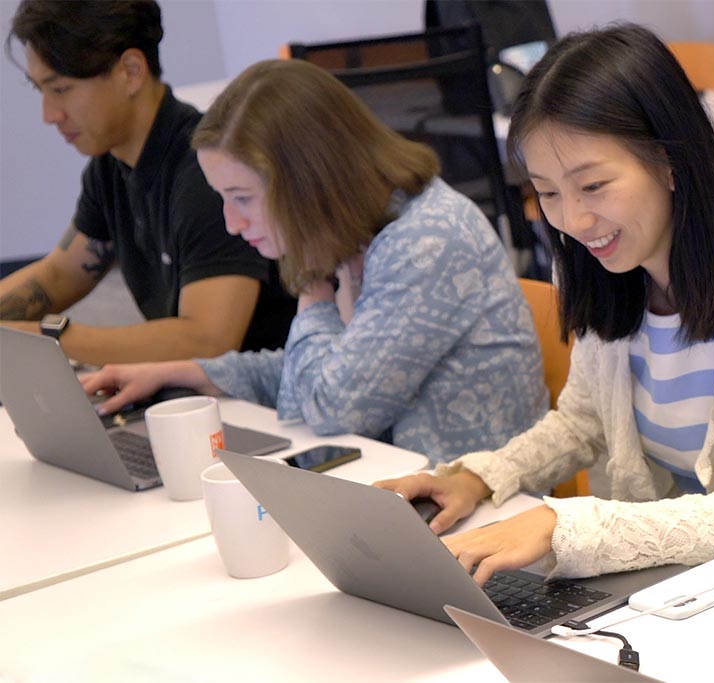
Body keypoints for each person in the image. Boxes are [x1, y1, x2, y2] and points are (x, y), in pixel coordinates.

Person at [375, 24, 714, 581]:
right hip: (663, 586)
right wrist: (479, 478)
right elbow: (582, 422)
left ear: (668, 160)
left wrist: (563, 526)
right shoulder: (604, 266)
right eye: (548, 192)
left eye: (593, 186)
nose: (574, 220)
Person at [80, 59, 549, 464]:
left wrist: (312, 288)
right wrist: (187, 372)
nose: (231, 223)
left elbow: (333, 408)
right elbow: (325, 369)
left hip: (476, 517)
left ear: (308, 181)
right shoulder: (365, 225)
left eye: (242, 198)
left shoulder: (425, 241)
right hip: (398, 490)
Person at [1, 0, 294, 364]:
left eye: (60, 89)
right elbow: (60, 274)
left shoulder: (206, 173)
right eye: (40, 90)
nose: (49, 114)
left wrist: (44, 338)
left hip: (263, 392)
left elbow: (207, 340)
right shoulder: (110, 165)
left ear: (131, 71)